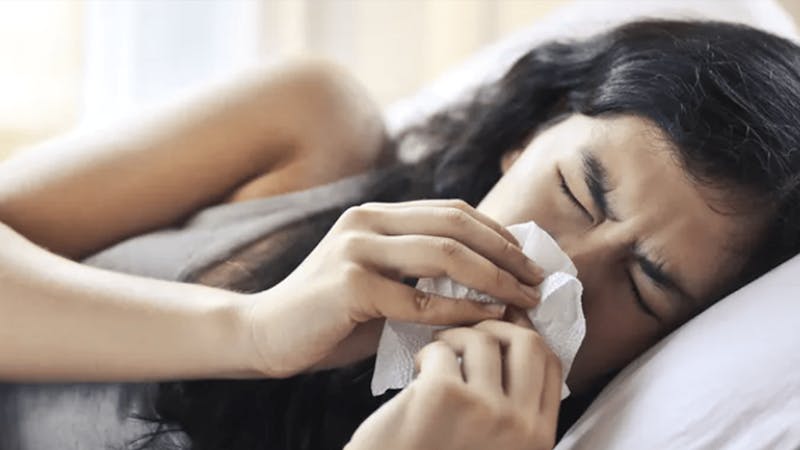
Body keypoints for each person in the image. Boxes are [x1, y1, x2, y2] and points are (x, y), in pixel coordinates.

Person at [2, 19, 800, 450]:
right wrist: (255, 330)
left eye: (645, 286)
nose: (559, 269)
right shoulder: (312, 128)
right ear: (525, 136)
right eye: (577, 194)